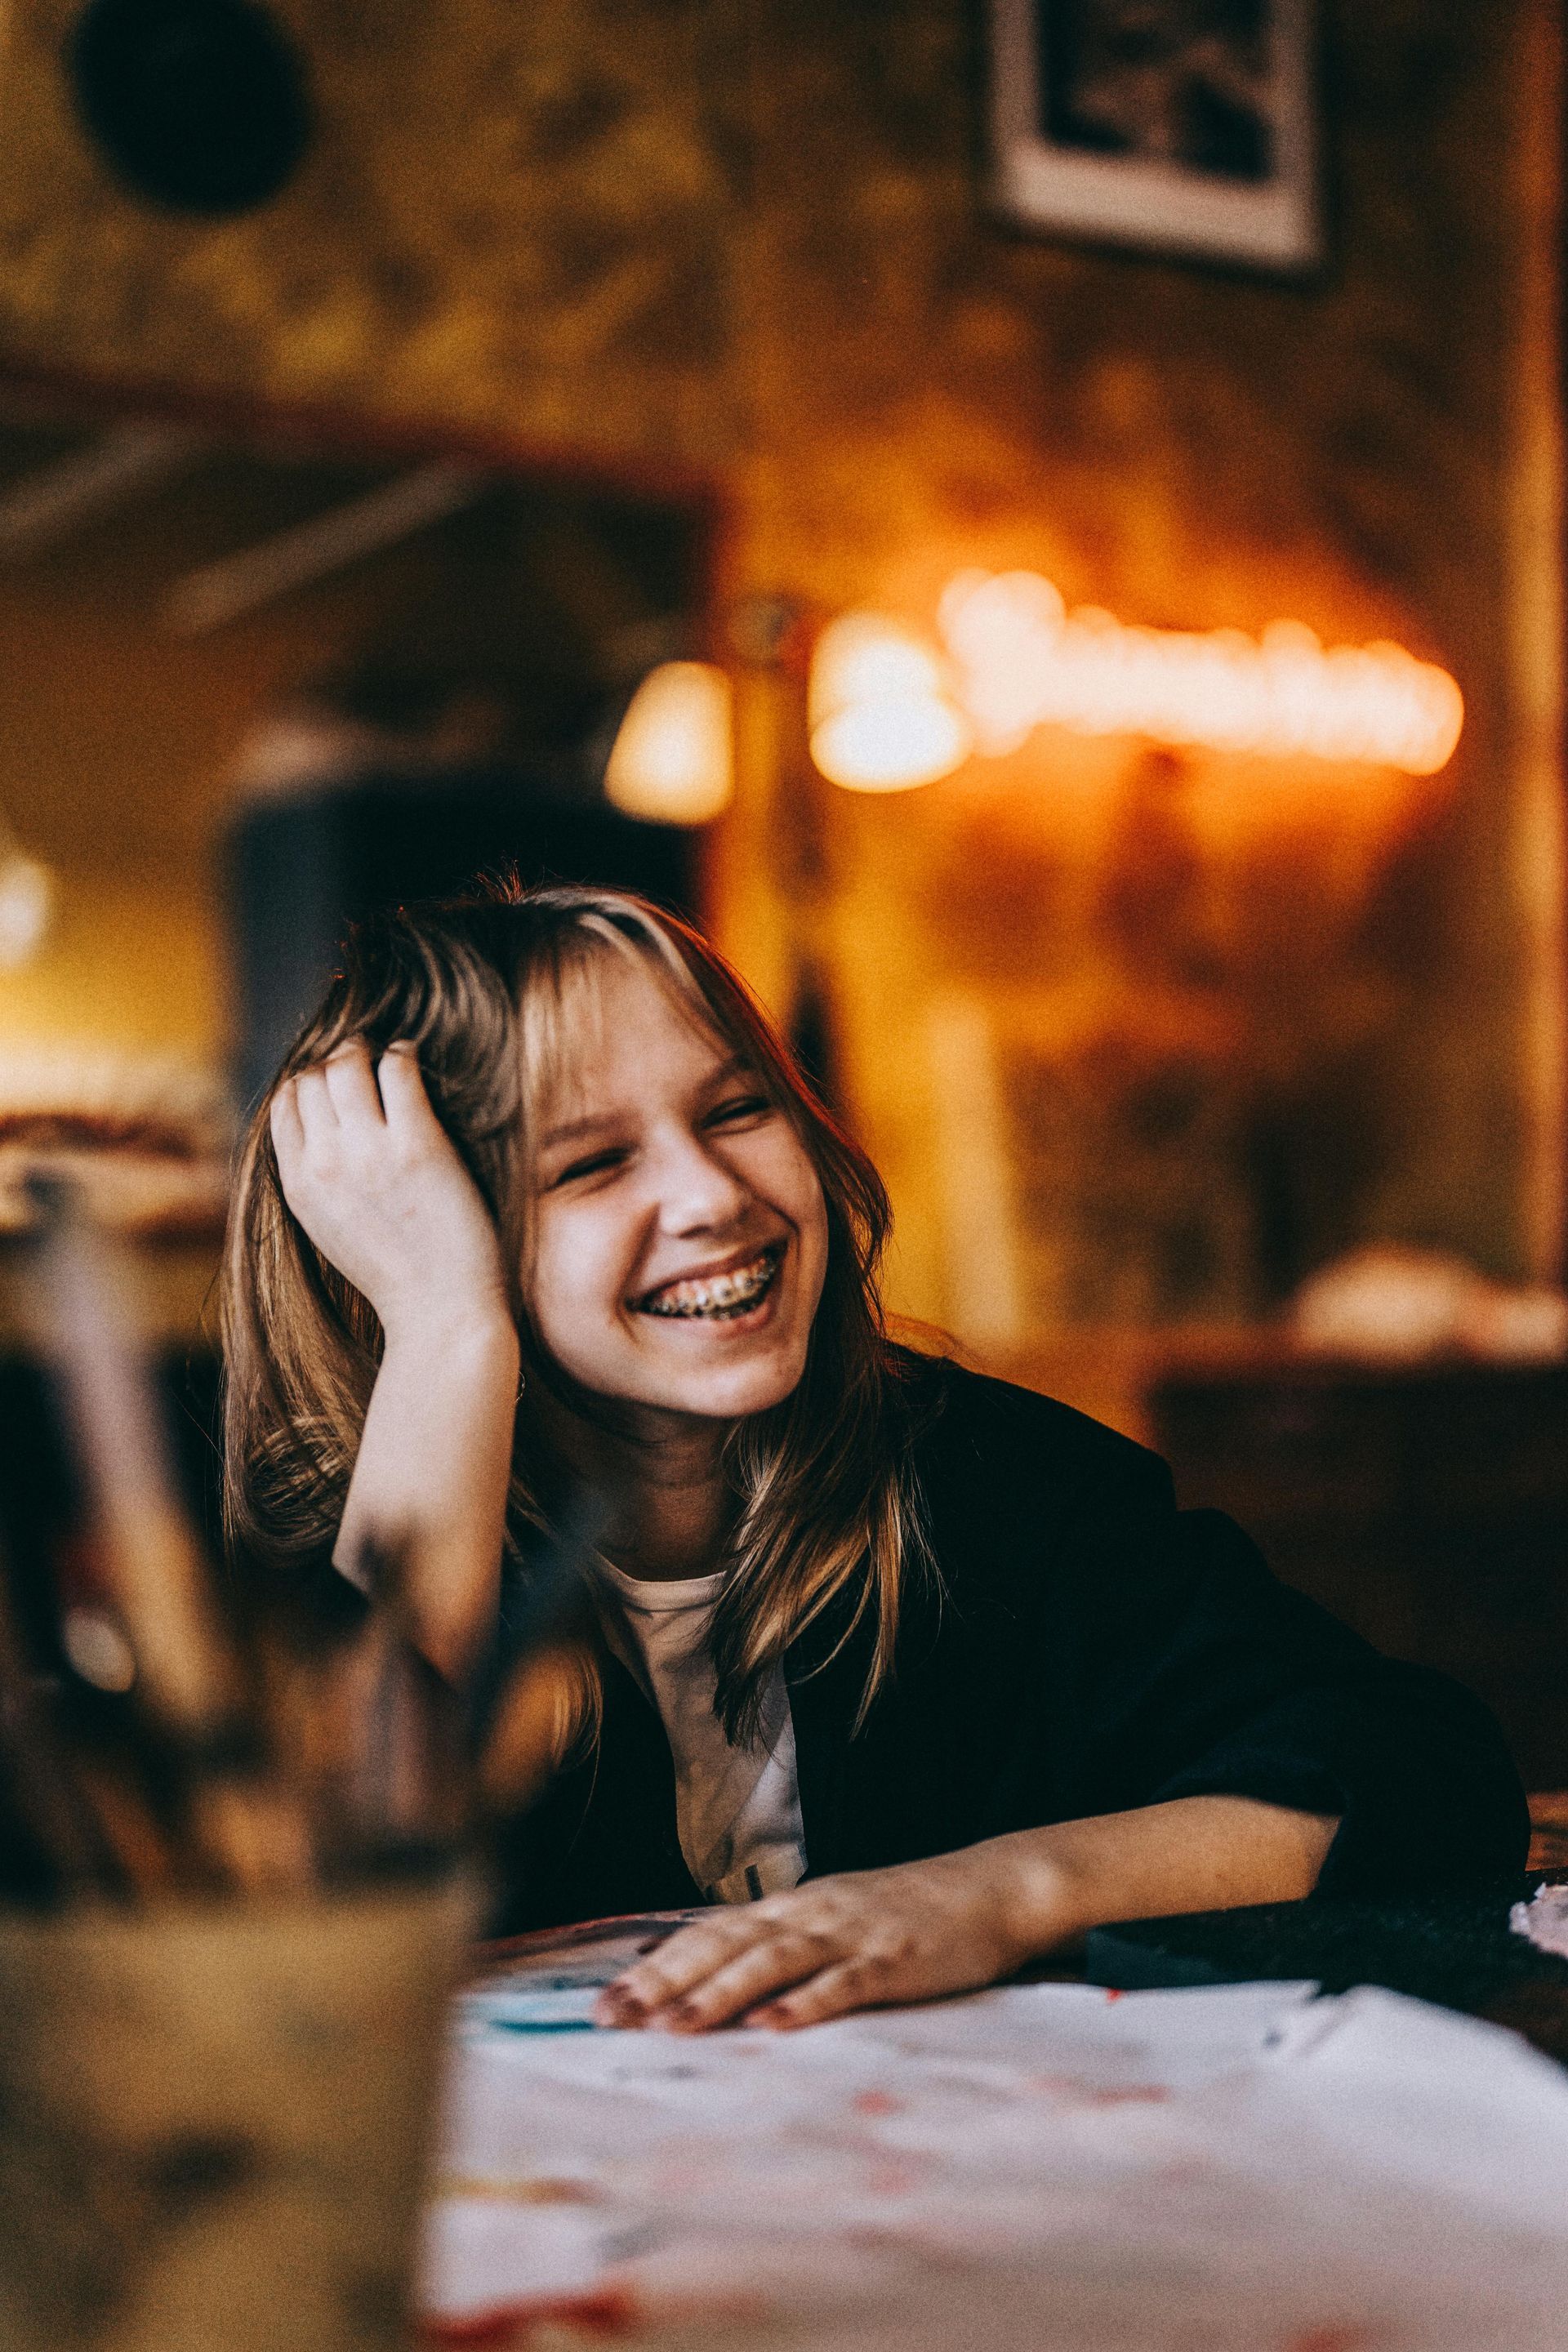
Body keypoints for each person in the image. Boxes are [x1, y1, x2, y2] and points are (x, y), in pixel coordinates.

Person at [222, 881, 1527, 2033]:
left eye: (737, 1111)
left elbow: (1421, 1770)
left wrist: (989, 1894)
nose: (715, 1196)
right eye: (594, 1163)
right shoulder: (260, 1571)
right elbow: (296, 1925)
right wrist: (450, 1327)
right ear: (411, 1231)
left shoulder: (987, 1484)